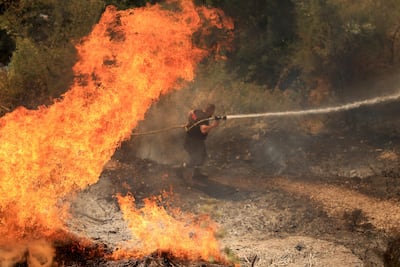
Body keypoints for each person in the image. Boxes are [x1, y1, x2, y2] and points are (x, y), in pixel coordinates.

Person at [182, 103, 219, 183]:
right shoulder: (204, 118)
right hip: (195, 141)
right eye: (212, 112)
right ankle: (184, 170)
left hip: (190, 139)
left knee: (202, 156)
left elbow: (191, 112)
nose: (212, 114)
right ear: (209, 110)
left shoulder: (197, 111)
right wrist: (214, 125)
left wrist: (190, 122)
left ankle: (196, 174)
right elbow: (203, 129)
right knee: (196, 157)